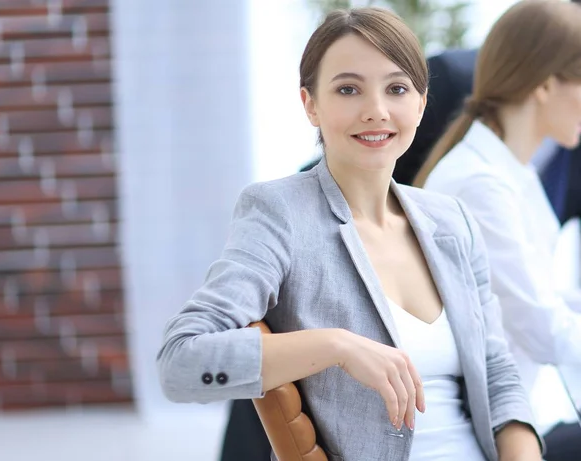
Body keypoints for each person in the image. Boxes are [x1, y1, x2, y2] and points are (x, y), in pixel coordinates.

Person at [158, 7, 543, 461]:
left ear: (420, 104)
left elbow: (498, 371)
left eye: (396, 89)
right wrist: (336, 345)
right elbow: (180, 363)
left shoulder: (451, 220)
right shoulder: (281, 214)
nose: (376, 111)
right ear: (311, 105)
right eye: (348, 89)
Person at [414, 1, 581, 461]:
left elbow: (546, 298)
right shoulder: (480, 183)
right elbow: (542, 328)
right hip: (481, 436)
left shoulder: (510, 171)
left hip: (507, 420)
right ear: (546, 85)